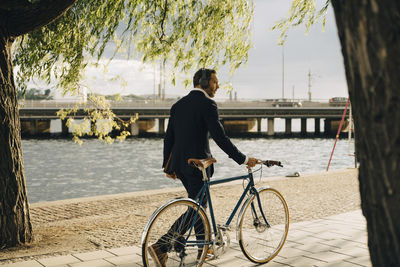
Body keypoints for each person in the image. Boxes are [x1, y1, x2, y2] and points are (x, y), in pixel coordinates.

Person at [149, 68, 258, 267]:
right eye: (215, 82)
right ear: (204, 82)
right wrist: (242, 159)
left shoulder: (178, 105)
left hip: (180, 165)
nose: (218, 86)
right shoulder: (208, 104)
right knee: (197, 208)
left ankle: (203, 249)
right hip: (198, 165)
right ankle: (162, 246)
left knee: (198, 205)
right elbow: (219, 137)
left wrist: (168, 165)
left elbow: (169, 138)